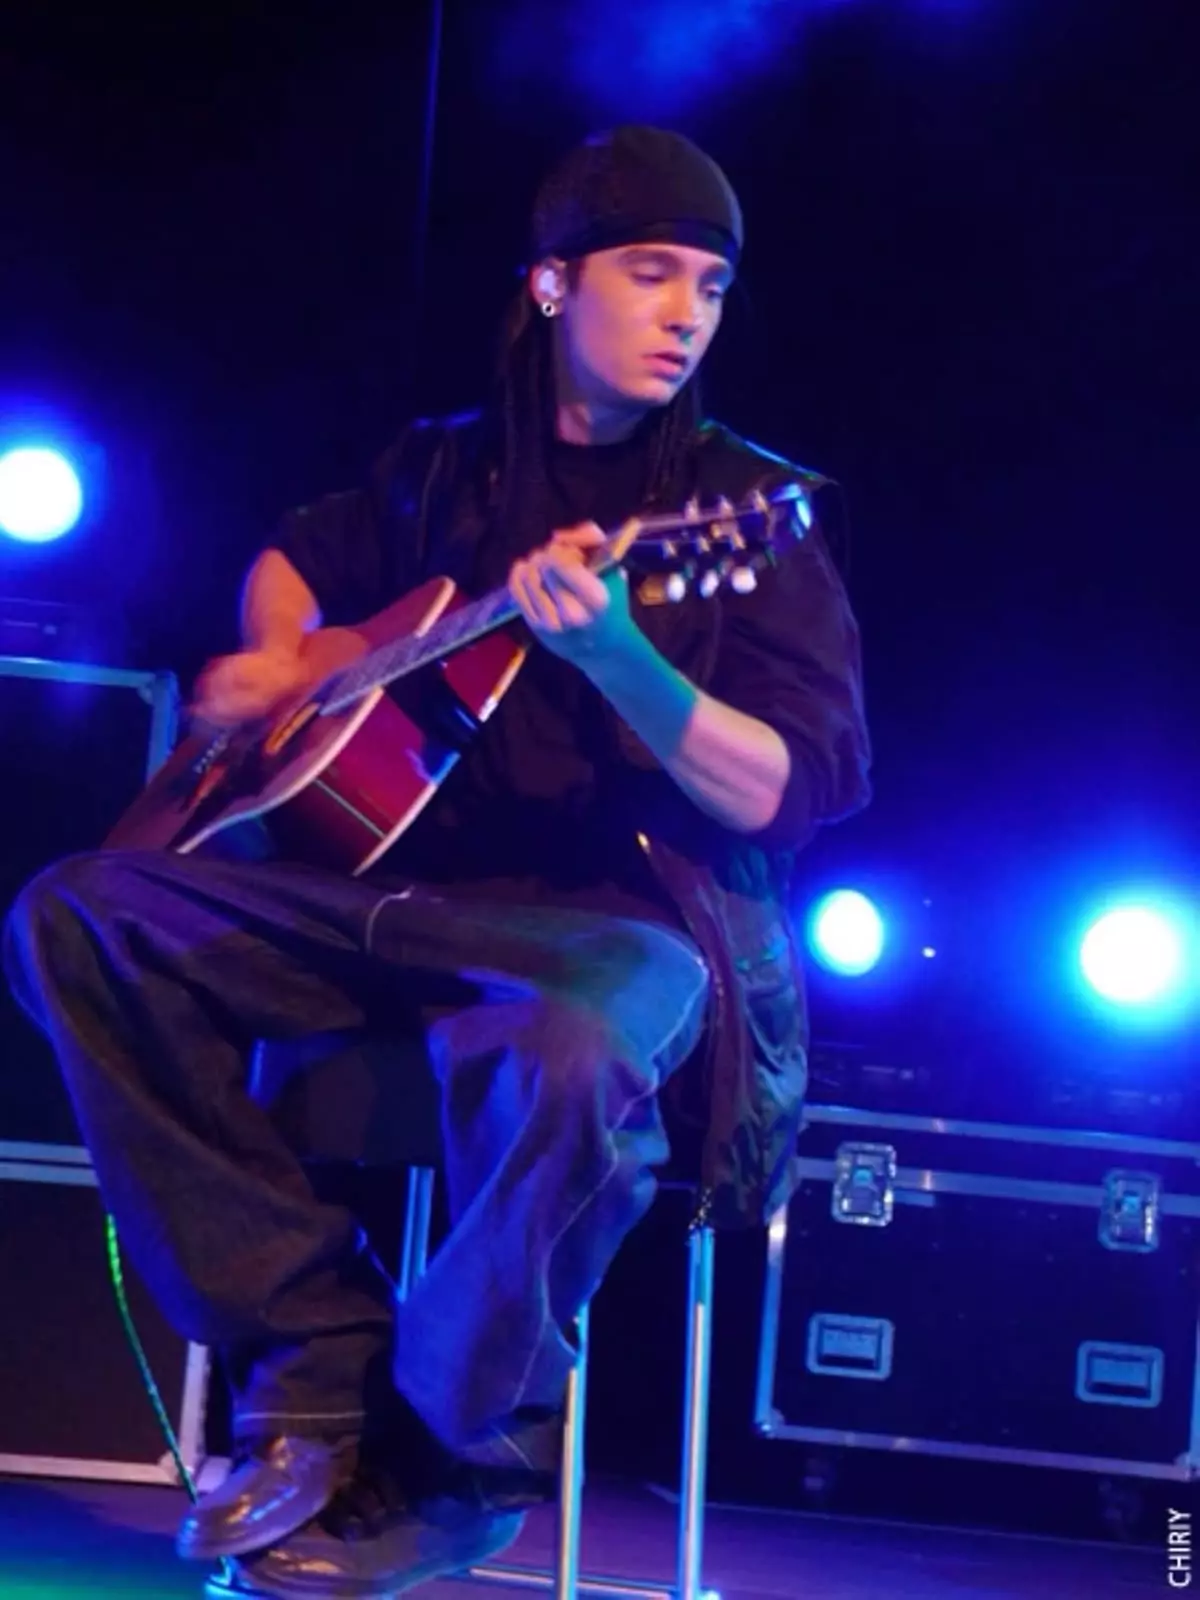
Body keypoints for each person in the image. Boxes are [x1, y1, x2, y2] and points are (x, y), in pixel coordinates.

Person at [3, 126, 871, 1596]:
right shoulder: (441, 470)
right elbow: (297, 556)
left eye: (712, 287)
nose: (687, 314)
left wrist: (621, 658)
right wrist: (291, 662)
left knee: (580, 1050)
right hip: (374, 907)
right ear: (551, 284)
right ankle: (311, 1350)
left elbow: (798, 787)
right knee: (77, 913)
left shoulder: (747, 513)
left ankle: (448, 1458)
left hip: (607, 933)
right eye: (650, 272)